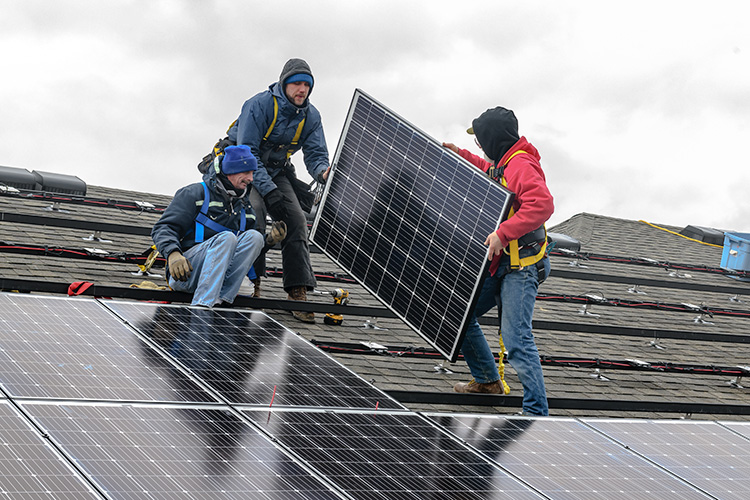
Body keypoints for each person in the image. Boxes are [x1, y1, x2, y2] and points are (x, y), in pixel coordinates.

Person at [442, 106, 554, 416]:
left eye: (480, 140)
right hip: (503, 264)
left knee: (516, 339)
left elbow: (542, 204)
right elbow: (491, 172)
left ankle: (536, 414)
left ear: (493, 139)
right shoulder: (505, 163)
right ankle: (488, 380)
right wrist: (461, 154)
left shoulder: (521, 165)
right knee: (458, 313)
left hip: (521, 267)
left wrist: (503, 234)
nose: (480, 147)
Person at [226, 58, 331, 323]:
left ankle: (297, 290)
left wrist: (323, 172)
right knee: (255, 214)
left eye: (307, 85)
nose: (302, 90)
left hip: (276, 169)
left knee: (296, 219)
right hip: (242, 169)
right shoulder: (259, 105)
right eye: (296, 83)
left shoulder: (311, 116)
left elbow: (316, 153)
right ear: (284, 84)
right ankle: (253, 282)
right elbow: (247, 153)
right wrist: (269, 192)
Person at [152, 145, 287, 308]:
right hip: (186, 275)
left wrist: (269, 241)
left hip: (220, 280)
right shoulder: (195, 194)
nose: (251, 178)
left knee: (255, 237)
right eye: (247, 172)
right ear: (231, 170)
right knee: (227, 238)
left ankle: (220, 300)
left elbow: (246, 251)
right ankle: (202, 306)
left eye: (252, 173)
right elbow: (164, 228)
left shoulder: (244, 206)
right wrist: (173, 254)